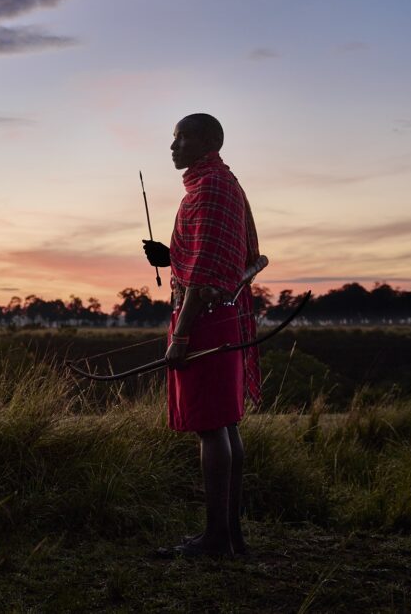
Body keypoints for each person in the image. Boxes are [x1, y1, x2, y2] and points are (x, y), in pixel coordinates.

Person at [143, 113, 261, 557]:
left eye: (182, 137)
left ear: (207, 142)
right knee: (224, 425)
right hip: (220, 316)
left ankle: (215, 539)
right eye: (173, 137)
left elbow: (207, 273)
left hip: (204, 320)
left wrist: (182, 337)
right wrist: (170, 256)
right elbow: (203, 259)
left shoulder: (210, 189)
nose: (173, 146)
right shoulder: (222, 185)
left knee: (212, 428)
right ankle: (230, 535)